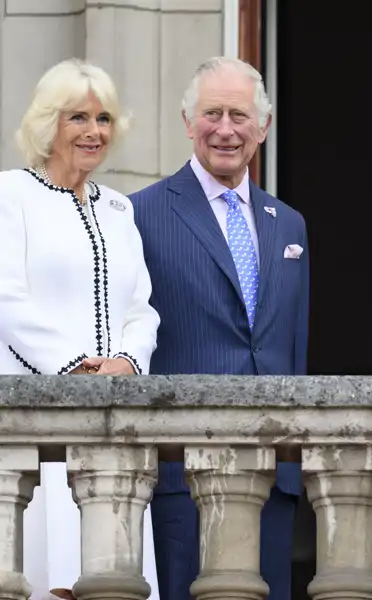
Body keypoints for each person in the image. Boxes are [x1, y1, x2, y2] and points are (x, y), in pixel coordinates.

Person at [129, 56, 309, 600]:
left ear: (264, 126)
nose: (226, 129)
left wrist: (293, 465)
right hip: (180, 476)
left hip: (271, 474)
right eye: (212, 113)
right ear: (187, 121)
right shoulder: (140, 213)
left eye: (239, 115)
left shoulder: (290, 223)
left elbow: (292, 346)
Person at [0, 59, 161, 599]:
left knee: (110, 581)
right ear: (49, 123)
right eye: (78, 118)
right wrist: (73, 369)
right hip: (37, 422)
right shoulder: (10, 196)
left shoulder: (118, 208)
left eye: (104, 118)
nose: (95, 132)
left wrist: (128, 362)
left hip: (114, 425)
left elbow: (142, 307)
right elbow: (7, 300)